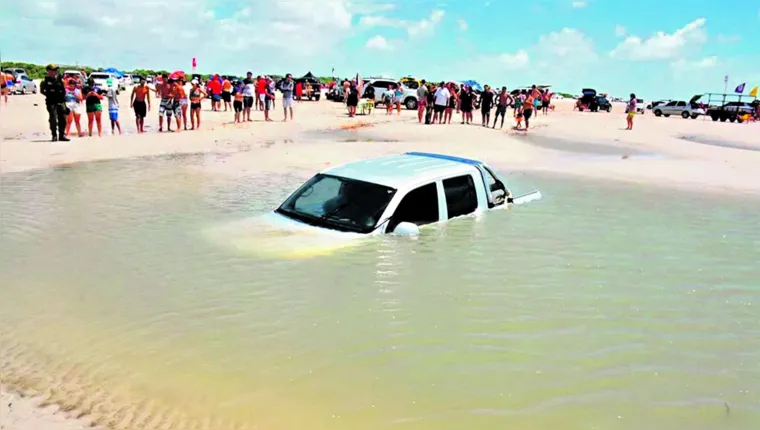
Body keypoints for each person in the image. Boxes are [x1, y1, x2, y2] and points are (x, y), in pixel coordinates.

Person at [40, 64, 69, 142]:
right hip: (51, 102)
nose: (55, 72)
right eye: (53, 70)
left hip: (61, 102)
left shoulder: (61, 80)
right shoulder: (44, 81)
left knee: (63, 119)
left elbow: (64, 91)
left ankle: (62, 135)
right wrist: (50, 95)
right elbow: (42, 91)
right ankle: (54, 135)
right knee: (53, 119)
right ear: (49, 71)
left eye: (56, 70)